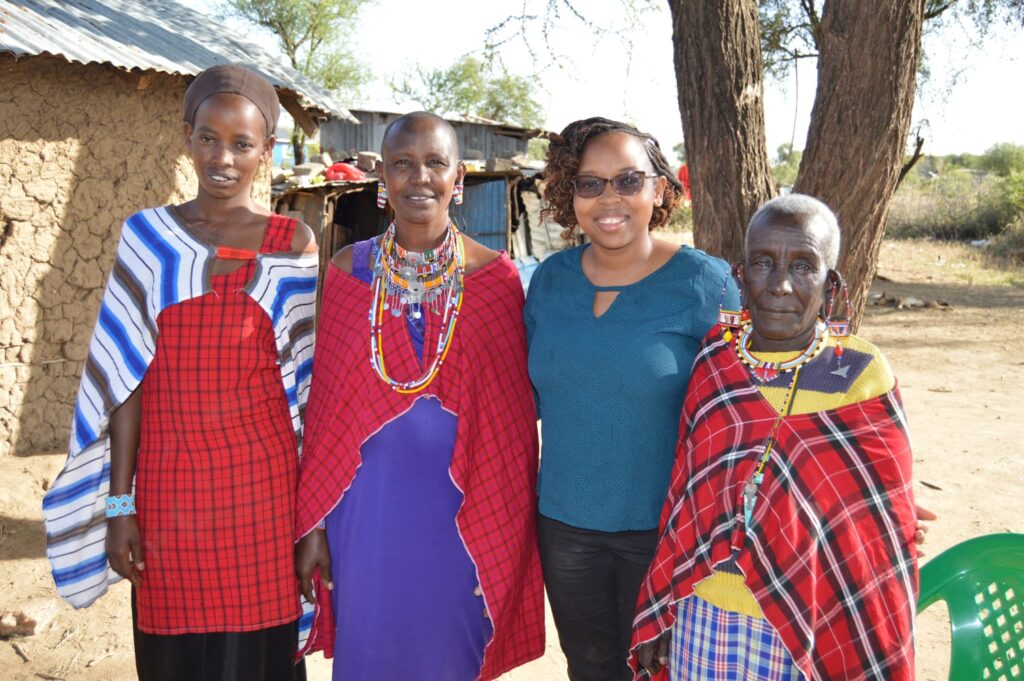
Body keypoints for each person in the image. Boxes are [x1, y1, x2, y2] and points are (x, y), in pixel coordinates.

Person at [42, 65, 317, 681]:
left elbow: (307, 391)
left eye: (242, 144)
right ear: (186, 137)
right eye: (208, 138)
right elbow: (123, 382)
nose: (223, 157)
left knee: (261, 660)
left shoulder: (291, 243)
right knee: (174, 658)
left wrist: (314, 523)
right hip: (169, 499)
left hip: (264, 499)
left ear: (265, 152)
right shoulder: (149, 238)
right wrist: (120, 504)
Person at [293, 111, 544, 681]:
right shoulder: (348, 273)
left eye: (435, 163)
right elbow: (325, 413)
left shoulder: (496, 280)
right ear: (382, 178)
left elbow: (510, 432)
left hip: (460, 518)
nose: (419, 178)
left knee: (449, 657)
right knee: (371, 655)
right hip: (365, 513)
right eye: (402, 164)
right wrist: (312, 526)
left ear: (459, 178)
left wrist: (504, 536)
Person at [631, 194, 919, 680]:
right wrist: (666, 609)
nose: (780, 285)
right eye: (763, 262)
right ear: (741, 276)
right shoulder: (715, 362)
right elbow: (686, 496)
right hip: (705, 613)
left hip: (812, 620)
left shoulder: (862, 376)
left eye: (803, 266)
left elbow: (881, 529)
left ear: (831, 284)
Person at [524, 116, 739, 681]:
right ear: (569, 196)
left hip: (666, 530)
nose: (608, 198)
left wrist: (864, 483)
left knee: (664, 670)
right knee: (590, 667)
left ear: (658, 190)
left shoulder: (705, 284)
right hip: (565, 525)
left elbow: (756, 404)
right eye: (589, 184)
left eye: (627, 180)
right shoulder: (550, 281)